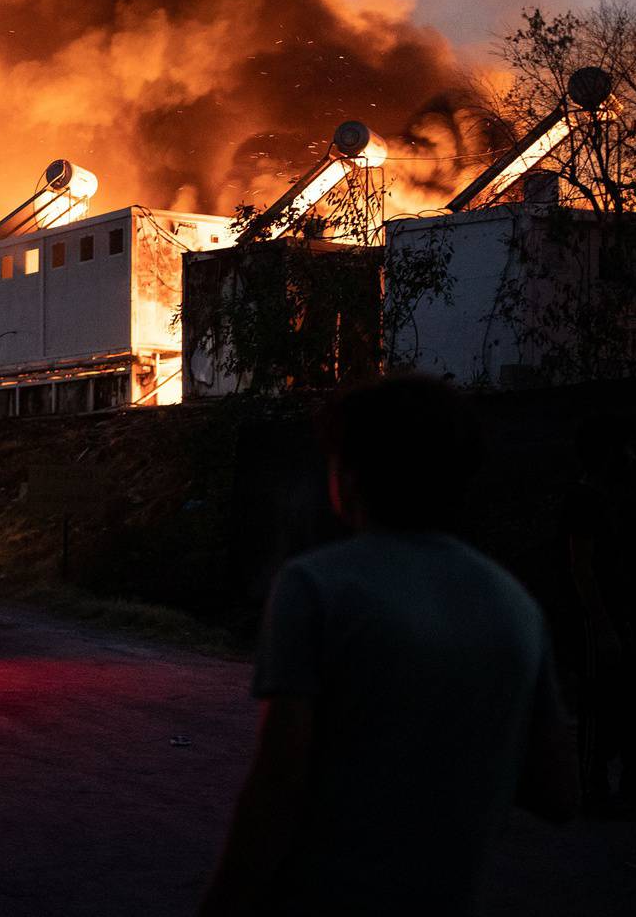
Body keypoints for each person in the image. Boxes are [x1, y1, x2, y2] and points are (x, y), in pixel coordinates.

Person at [199, 376, 578, 916]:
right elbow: (558, 793)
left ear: (349, 477)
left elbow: (278, 784)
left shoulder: (316, 587)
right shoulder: (516, 605)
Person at [563, 420, 636, 815]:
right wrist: (601, 626)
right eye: (626, 449)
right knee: (597, 702)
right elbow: (581, 568)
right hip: (599, 617)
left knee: (632, 698)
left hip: (620, 612)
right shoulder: (583, 501)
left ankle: (631, 780)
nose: (632, 457)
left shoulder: (611, 499)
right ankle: (593, 787)